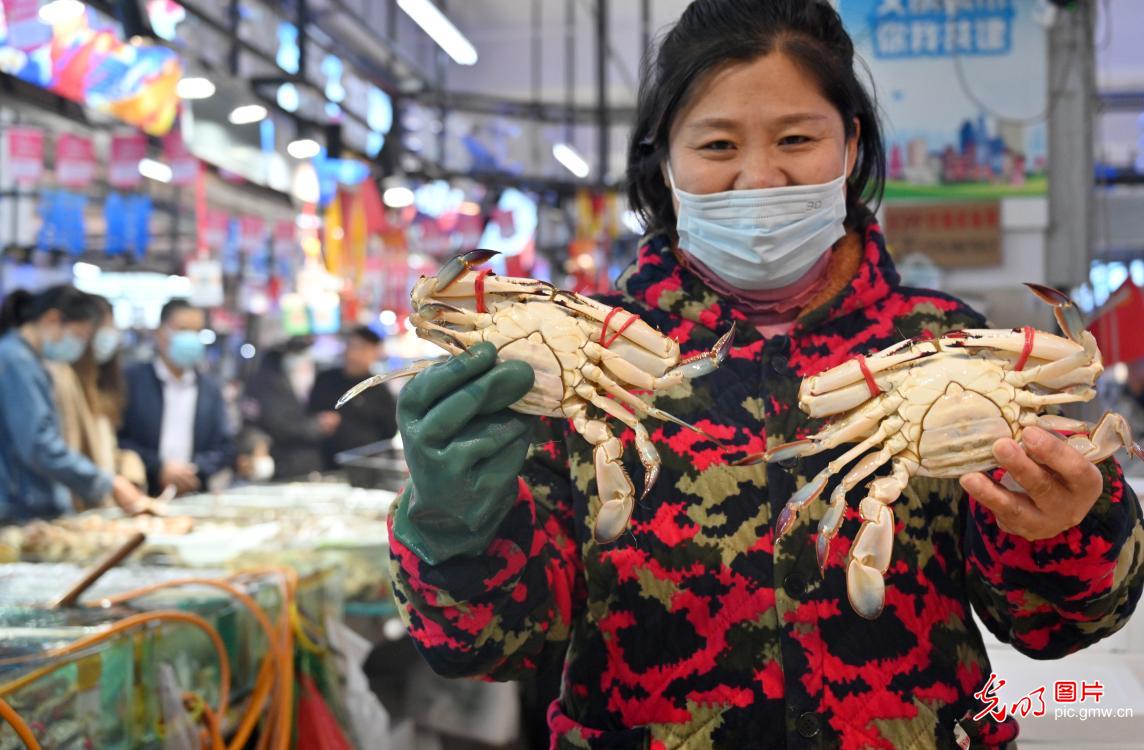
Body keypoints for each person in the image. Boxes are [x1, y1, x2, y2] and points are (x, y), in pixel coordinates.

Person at [383, 2, 1144, 748]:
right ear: (665, 156)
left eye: (795, 137)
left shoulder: (951, 343)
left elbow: (1055, 628)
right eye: (716, 145)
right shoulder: (576, 361)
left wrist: (1067, 526)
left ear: (848, 145)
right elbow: (489, 649)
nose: (759, 177)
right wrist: (449, 529)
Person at [0, 286, 155, 522]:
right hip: (19, 510)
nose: (81, 346)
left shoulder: (29, 361)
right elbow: (39, 445)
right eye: (80, 336)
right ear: (52, 319)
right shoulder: (15, 361)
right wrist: (105, 483)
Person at [119, 298, 235, 497]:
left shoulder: (210, 389)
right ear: (159, 332)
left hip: (194, 493)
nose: (190, 338)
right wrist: (158, 467)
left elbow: (224, 446)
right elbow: (119, 438)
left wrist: (193, 470)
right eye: (182, 330)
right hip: (138, 493)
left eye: (196, 332)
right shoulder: (132, 381)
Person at [49, 294, 146, 509]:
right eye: (102, 329)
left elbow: (103, 452)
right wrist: (108, 482)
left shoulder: (101, 385)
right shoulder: (61, 379)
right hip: (74, 506)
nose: (108, 337)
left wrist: (127, 465)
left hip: (100, 506)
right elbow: (59, 452)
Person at [244, 336, 336, 479]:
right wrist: (316, 426)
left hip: (311, 465)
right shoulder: (269, 383)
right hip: (282, 464)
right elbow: (279, 424)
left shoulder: (312, 380)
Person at [308, 326, 398, 469]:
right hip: (324, 463)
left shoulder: (379, 390)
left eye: (362, 348)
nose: (354, 353)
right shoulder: (326, 380)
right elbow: (308, 412)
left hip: (365, 467)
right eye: (351, 346)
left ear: (375, 352)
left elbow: (388, 432)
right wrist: (319, 422)